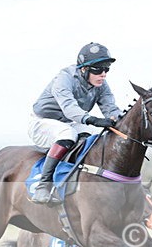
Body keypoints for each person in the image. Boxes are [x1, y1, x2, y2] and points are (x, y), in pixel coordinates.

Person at [28, 42, 123, 205]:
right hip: (42, 122)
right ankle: (43, 186)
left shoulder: (101, 84)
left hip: (67, 123)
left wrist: (120, 121)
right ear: (84, 69)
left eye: (106, 69)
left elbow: (110, 108)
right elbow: (69, 108)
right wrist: (93, 119)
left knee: (92, 137)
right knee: (69, 135)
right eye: (98, 69)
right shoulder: (64, 78)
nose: (103, 74)